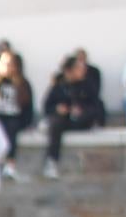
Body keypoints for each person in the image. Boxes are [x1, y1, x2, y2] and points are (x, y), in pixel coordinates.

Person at [39, 47, 104, 177]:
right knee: (55, 123)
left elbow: (96, 106)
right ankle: (51, 162)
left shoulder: (87, 84)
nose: (82, 71)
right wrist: (58, 109)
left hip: (83, 121)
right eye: (78, 68)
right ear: (69, 71)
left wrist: (82, 110)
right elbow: (47, 106)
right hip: (64, 121)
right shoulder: (59, 86)